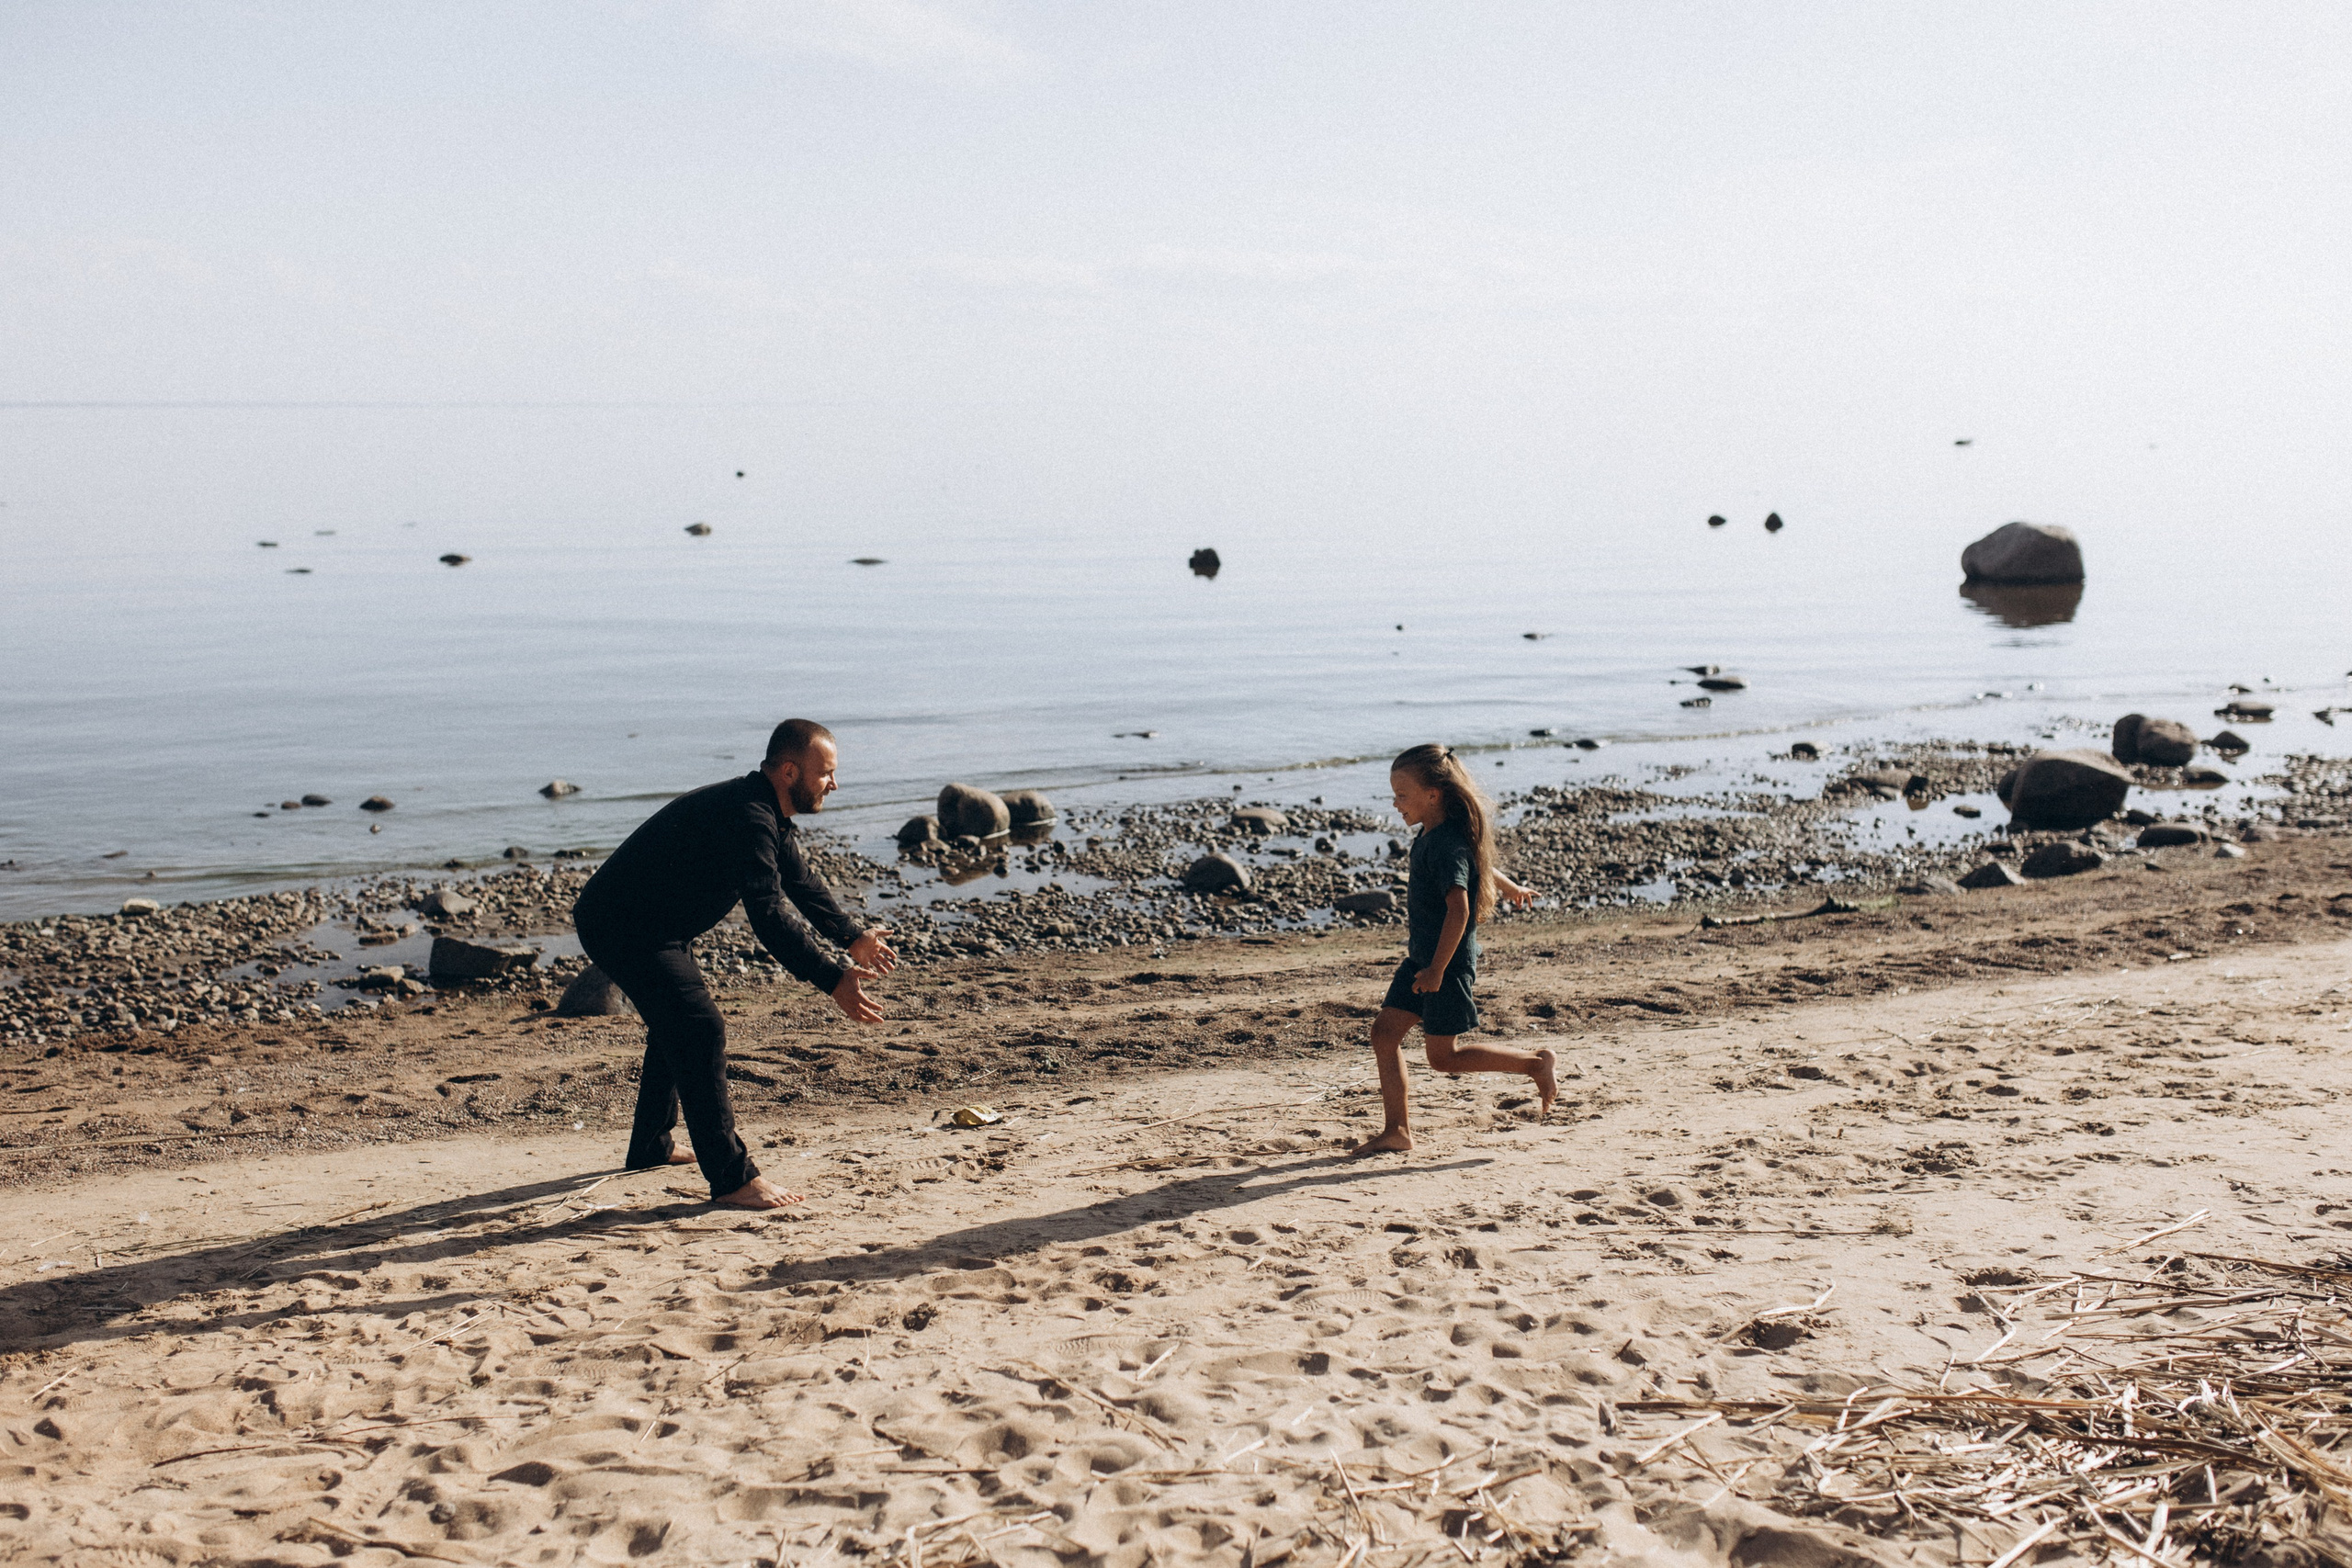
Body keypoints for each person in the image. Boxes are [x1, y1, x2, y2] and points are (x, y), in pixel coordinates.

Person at [572, 719, 895, 1209]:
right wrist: (832, 979)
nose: (834, 783)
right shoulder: (749, 816)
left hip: (654, 925)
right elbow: (768, 917)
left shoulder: (764, 809)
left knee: (675, 1023)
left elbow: (800, 883)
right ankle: (731, 1178)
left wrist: (851, 936)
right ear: (790, 771)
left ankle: (649, 1148)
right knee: (698, 1026)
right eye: (826, 773)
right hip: (624, 926)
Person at [1352, 742, 1554, 1156]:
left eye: (1402, 795)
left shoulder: (1445, 844)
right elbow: (1480, 861)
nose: (1395, 803)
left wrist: (1438, 970)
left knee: (1444, 1058)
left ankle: (1535, 1064)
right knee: (1384, 1034)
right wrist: (1509, 886)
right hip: (1422, 961)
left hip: (1443, 963)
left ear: (1433, 794)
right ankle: (1398, 1131)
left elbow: (1459, 910)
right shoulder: (1438, 834)